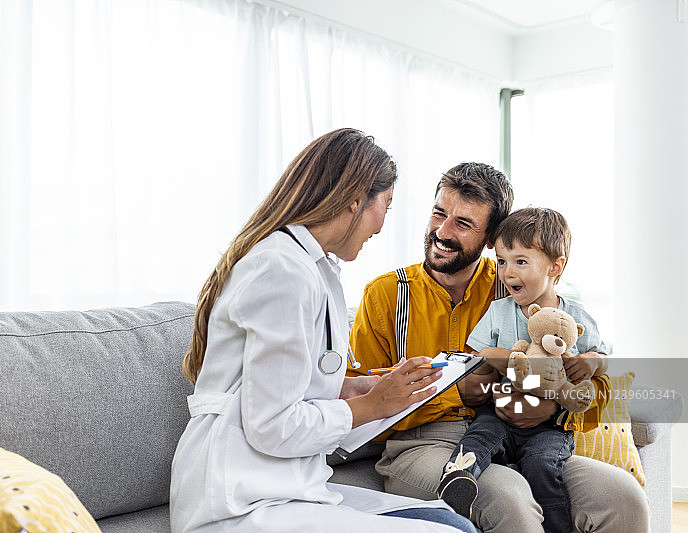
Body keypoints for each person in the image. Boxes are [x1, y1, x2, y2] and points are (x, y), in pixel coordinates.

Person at [170, 128, 477, 533]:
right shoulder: (282, 270)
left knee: (448, 521)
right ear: (355, 200)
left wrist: (360, 388)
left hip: (285, 486)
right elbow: (271, 425)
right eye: (386, 205)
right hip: (239, 500)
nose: (381, 226)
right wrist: (372, 406)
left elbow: (291, 386)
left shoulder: (310, 266)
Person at [349, 162, 650, 532]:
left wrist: (553, 408)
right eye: (439, 213)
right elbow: (359, 408)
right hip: (423, 445)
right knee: (509, 498)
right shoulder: (385, 295)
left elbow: (593, 378)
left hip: (526, 440)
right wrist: (456, 394)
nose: (442, 231)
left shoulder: (517, 287)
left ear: (491, 238)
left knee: (623, 497)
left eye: (463, 223)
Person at [436, 207, 610, 533]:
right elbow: (479, 355)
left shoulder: (576, 317)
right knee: (479, 438)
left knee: (543, 465)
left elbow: (604, 358)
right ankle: (458, 479)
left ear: (555, 266)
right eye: (502, 261)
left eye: (520, 261)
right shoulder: (498, 311)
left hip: (548, 425)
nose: (507, 272)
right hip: (498, 411)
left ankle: (556, 526)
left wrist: (591, 362)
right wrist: (510, 359)